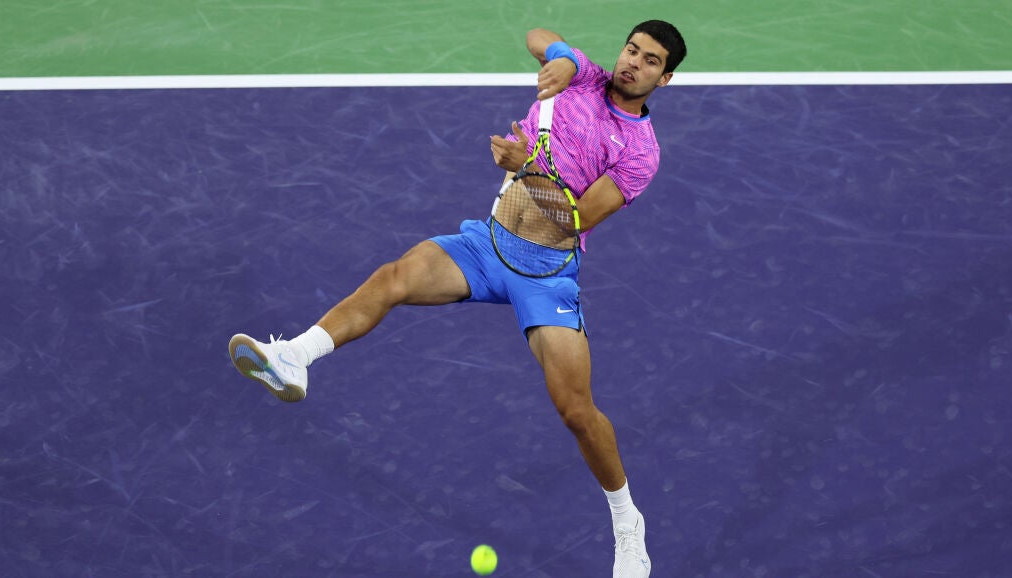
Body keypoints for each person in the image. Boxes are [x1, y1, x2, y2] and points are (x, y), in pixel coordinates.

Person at [229, 20, 686, 578]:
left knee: (575, 411)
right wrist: (563, 57)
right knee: (394, 278)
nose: (633, 63)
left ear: (665, 79)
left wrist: (528, 166)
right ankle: (294, 357)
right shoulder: (583, 76)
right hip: (487, 244)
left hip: (546, 275)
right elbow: (537, 34)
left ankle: (627, 523)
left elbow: (578, 218)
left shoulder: (640, 151)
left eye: (650, 60)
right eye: (632, 49)